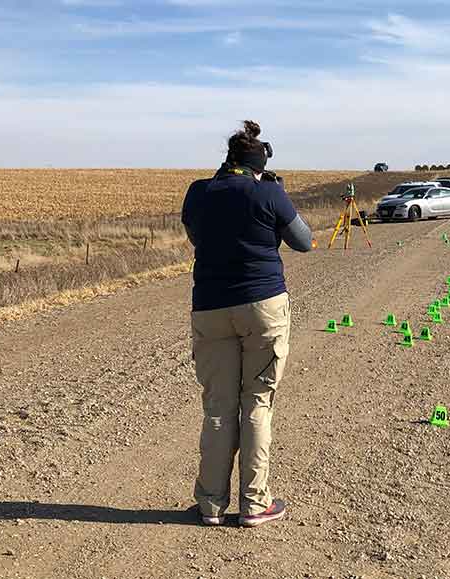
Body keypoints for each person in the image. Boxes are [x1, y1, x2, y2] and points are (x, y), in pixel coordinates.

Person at [181, 120, 313, 528]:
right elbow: (304, 241)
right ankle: (254, 504)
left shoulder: (199, 192)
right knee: (257, 401)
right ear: (259, 164)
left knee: (218, 406)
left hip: (210, 306)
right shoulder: (268, 191)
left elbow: (196, 235)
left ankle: (210, 505)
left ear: (228, 160)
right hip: (263, 305)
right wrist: (276, 198)